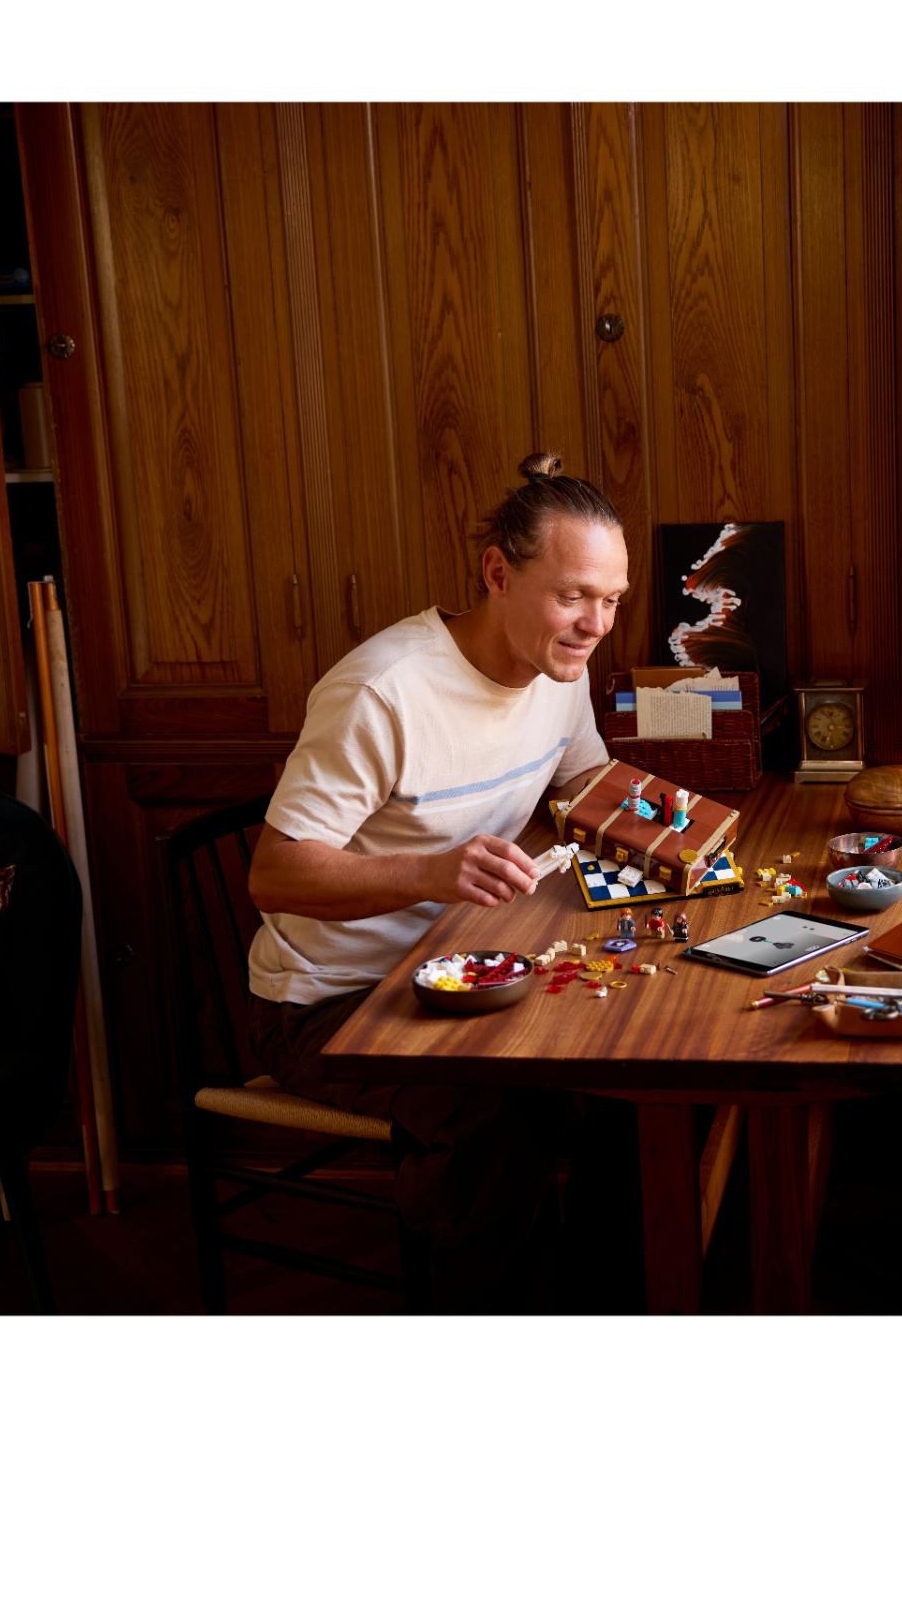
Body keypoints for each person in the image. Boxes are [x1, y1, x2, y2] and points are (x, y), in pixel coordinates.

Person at [245, 452, 629, 1309]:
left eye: (611, 599)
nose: (595, 624)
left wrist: (693, 831)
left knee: (624, 1079)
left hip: (467, 965)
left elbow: (585, 783)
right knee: (493, 1113)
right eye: (574, 595)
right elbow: (273, 875)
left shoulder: (556, 667)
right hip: (331, 1003)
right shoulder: (383, 690)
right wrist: (433, 872)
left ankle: (616, 1300)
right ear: (497, 573)